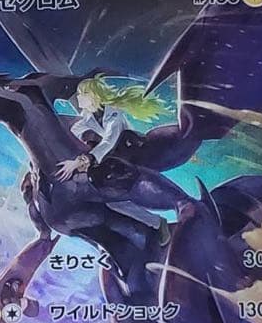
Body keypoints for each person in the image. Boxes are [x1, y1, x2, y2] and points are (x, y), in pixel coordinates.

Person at [55, 76, 177, 245]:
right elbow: (76, 130)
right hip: (113, 160)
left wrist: (81, 161)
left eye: (83, 94)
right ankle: (157, 223)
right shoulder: (88, 116)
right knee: (114, 203)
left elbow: (108, 142)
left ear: (94, 96)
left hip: (132, 154)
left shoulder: (114, 115)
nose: (79, 97)